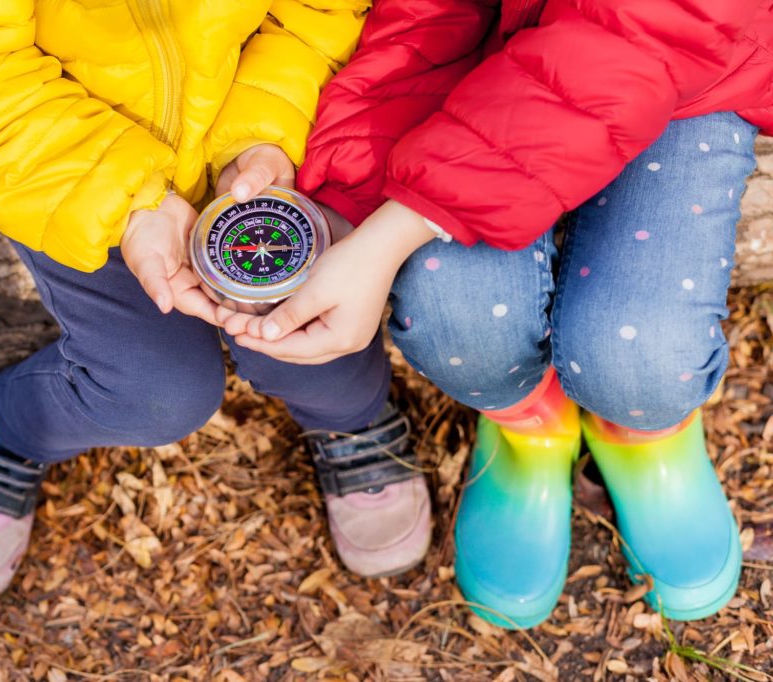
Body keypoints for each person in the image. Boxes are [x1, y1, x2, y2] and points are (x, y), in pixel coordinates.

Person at [0, 0, 435, 599]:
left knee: (315, 334)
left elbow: (319, 13)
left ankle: (349, 420)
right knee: (155, 391)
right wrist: (129, 201)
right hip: (68, 169)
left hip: (257, 143)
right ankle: (10, 427)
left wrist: (263, 132)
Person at [219, 0, 773, 627]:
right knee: (452, 311)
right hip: (490, 49)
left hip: (698, 64)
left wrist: (397, 228)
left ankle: (645, 439)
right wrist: (349, 199)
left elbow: (642, 33)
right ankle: (532, 429)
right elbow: (420, 18)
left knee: (642, 352)